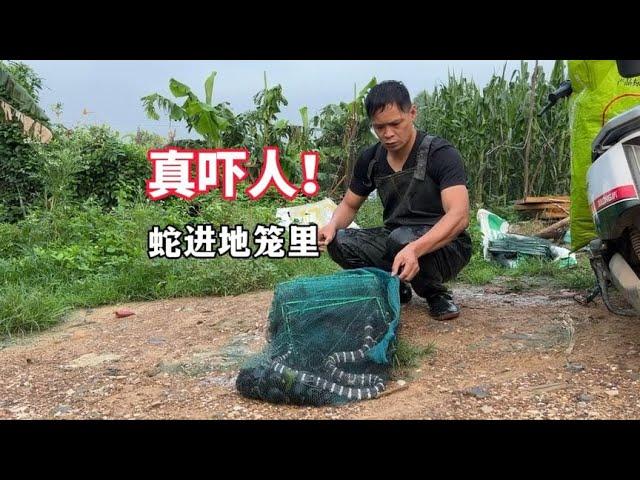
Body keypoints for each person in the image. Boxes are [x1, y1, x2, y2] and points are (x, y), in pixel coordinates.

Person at [318, 80, 472, 320]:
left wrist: (414, 248)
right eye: (379, 127)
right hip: (396, 238)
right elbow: (349, 204)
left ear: (412, 113)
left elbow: (459, 216)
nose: (388, 134)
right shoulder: (370, 159)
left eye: (395, 124)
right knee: (340, 241)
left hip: (447, 246)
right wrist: (332, 225)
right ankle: (395, 285)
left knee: (402, 239)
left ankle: (436, 294)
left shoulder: (440, 153)